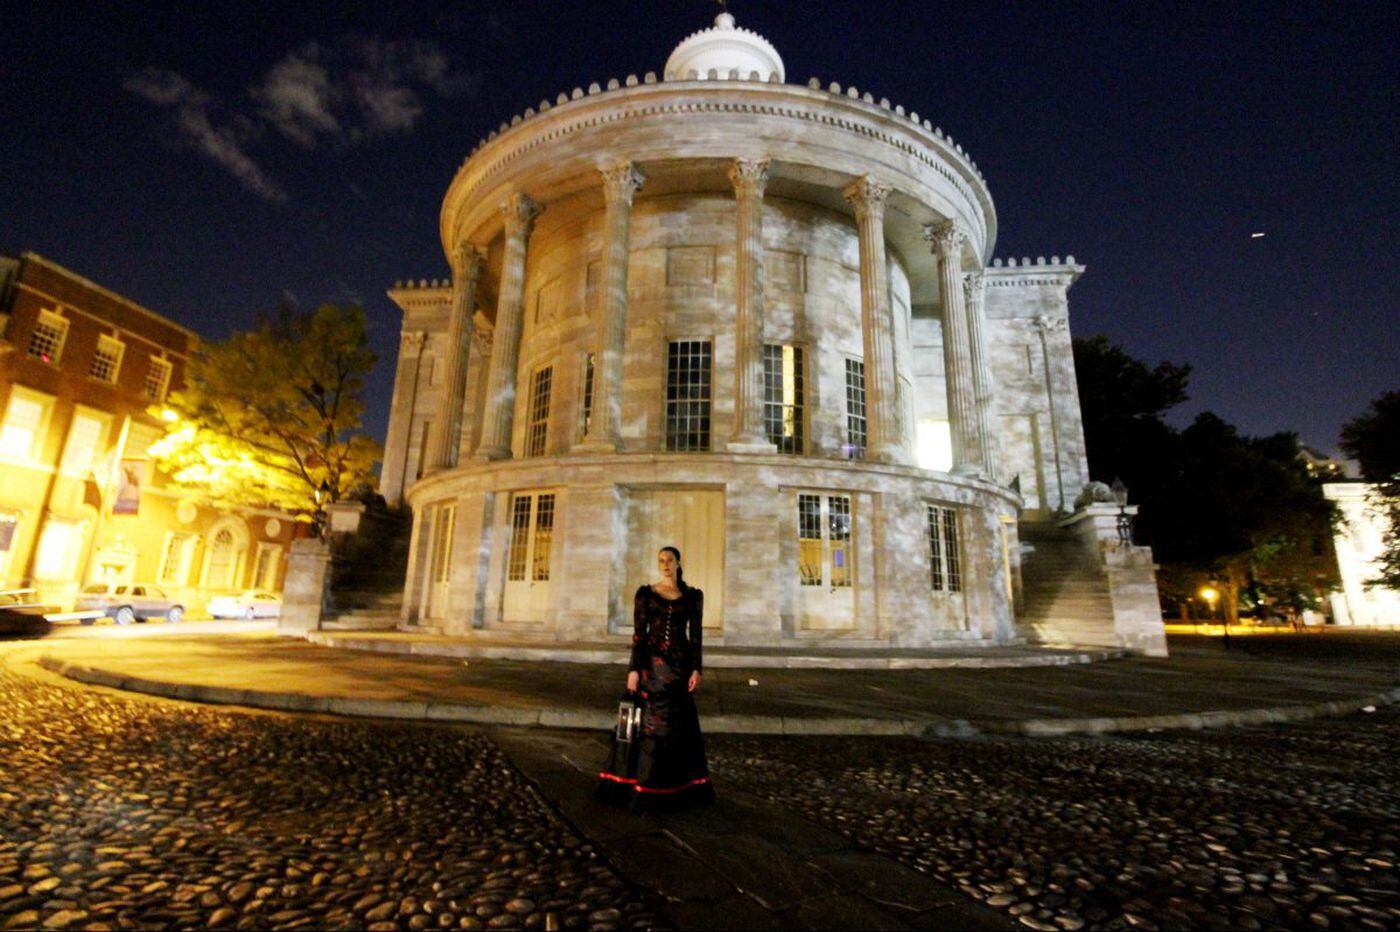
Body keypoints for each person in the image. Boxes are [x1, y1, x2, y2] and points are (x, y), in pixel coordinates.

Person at [597, 546, 714, 810]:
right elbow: (639, 635)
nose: (665, 564)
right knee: (650, 725)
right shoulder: (646, 594)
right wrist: (633, 669)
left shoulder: (692, 596)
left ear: (678, 563)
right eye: (661, 560)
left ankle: (675, 786)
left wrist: (697, 668)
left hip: (679, 668)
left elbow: (696, 636)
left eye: (669, 560)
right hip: (651, 668)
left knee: (676, 726)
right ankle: (643, 784)